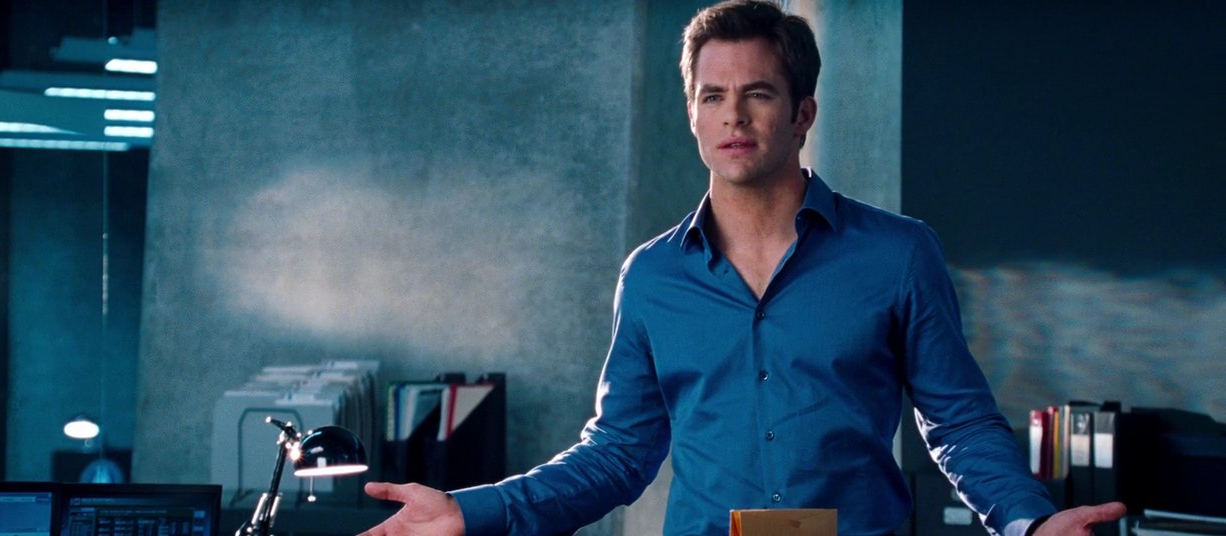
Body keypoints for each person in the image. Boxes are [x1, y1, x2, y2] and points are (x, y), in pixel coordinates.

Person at [359, 1, 1127, 534]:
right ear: (693, 114)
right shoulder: (651, 278)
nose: (733, 115)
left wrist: (1029, 522)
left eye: (758, 93)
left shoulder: (899, 254)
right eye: (712, 96)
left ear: (802, 113)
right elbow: (618, 454)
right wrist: (472, 511)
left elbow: (957, 422)